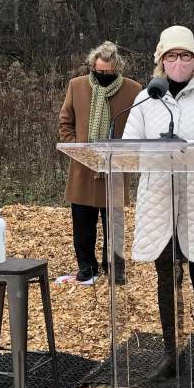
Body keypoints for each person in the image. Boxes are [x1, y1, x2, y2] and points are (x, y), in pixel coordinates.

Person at [123, 26, 194, 385]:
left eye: (185, 56)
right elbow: (128, 147)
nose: (178, 62)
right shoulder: (146, 99)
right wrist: (157, 153)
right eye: (171, 56)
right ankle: (171, 356)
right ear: (160, 61)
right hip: (159, 202)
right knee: (165, 279)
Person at [57, 41, 142, 284]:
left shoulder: (134, 90)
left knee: (113, 224)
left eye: (109, 72)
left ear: (117, 68)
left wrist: (127, 153)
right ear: (92, 67)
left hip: (115, 167)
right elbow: (65, 122)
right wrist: (79, 148)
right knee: (82, 223)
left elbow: (141, 126)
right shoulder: (77, 86)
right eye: (99, 71)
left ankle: (115, 268)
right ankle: (87, 269)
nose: (103, 76)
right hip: (83, 167)